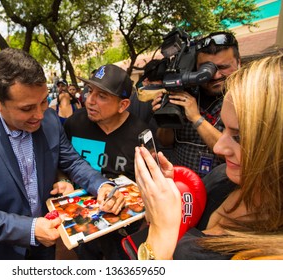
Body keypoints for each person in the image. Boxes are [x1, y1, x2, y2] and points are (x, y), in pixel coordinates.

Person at [0, 48, 125, 260]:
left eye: (44, 101)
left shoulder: (50, 119)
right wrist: (28, 229)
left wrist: (102, 185)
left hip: (45, 248)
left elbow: (72, 162)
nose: (39, 115)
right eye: (27, 108)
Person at [135, 53, 283, 260]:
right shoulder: (223, 177)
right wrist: (171, 198)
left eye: (238, 137)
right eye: (224, 130)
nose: (219, 148)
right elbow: (190, 218)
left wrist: (160, 233)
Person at [63, 64, 149, 259]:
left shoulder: (140, 133)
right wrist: (65, 182)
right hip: (81, 222)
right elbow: (62, 164)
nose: (90, 101)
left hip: (124, 229)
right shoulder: (73, 124)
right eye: (89, 91)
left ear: (123, 105)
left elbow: (147, 184)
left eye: (102, 96)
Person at [154, 32, 241, 177]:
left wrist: (196, 118)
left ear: (239, 62)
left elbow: (236, 154)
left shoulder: (248, 100)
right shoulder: (185, 92)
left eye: (223, 67)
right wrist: (165, 115)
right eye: (206, 69)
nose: (215, 76)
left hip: (221, 189)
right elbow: (165, 140)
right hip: (182, 186)